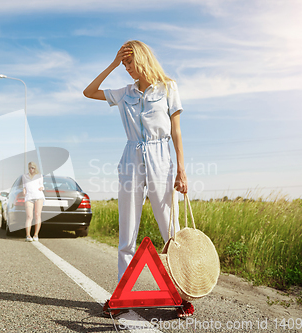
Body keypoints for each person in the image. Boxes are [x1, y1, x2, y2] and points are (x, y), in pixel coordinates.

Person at [83, 40, 191, 317]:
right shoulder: (124, 93)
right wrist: (112, 63)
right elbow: (88, 92)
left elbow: (176, 132)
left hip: (161, 159)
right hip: (131, 159)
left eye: (130, 62)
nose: (128, 69)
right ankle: (122, 296)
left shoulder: (168, 87)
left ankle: (182, 295)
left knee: (171, 230)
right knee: (126, 231)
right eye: (125, 64)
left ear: (143, 59)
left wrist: (181, 169)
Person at [22, 162, 45, 242]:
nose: (31, 170)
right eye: (29, 168)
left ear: (35, 168)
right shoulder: (25, 176)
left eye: (32, 168)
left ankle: (36, 235)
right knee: (29, 216)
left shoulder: (39, 176)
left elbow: (42, 185)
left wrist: (42, 188)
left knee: (37, 215)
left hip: (38, 197)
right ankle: (28, 235)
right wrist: (24, 191)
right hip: (29, 197)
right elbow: (24, 186)